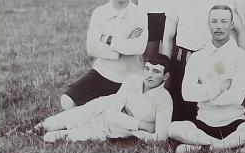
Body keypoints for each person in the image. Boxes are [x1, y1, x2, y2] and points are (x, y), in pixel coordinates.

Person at [162, 0, 245, 121]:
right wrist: (166, 67)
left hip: (214, 63)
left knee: (216, 110)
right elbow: (167, 36)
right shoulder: (178, 0)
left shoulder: (222, 0)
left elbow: (241, 31)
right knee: (182, 116)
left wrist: (241, 60)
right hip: (184, 62)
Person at [168, 5, 245, 153]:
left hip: (234, 120)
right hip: (204, 121)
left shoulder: (242, 56)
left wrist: (203, 94)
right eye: (214, 21)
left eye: (224, 21)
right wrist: (218, 89)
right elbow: (187, 94)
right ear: (209, 24)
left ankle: (208, 147)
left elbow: (236, 98)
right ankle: (228, 146)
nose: (219, 26)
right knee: (173, 129)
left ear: (232, 25)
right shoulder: (197, 57)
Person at [60, 0, 148, 110]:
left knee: (125, 113)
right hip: (103, 72)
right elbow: (92, 48)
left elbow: (139, 47)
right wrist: (123, 47)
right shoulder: (100, 12)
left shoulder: (140, 13)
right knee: (67, 100)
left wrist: (108, 39)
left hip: (131, 77)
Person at [35, 55, 173, 143]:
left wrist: (136, 132)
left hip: (112, 129)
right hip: (103, 107)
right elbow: (112, 113)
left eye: (156, 72)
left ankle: (56, 133)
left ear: (166, 76)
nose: (149, 75)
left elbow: (161, 139)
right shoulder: (133, 80)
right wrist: (142, 125)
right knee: (71, 117)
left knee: (54, 137)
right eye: (147, 69)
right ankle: (43, 126)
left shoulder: (164, 100)